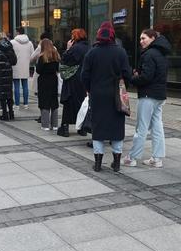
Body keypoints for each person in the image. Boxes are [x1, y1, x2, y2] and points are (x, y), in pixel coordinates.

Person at [81, 21, 132, 172]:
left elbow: (84, 75)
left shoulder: (92, 52)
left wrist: (89, 89)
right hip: (116, 95)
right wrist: (123, 87)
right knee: (117, 128)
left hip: (98, 95)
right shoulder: (121, 52)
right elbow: (127, 74)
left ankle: (97, 163)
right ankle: (116, 162)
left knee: (98, 127)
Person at [122, 29, 171, 168]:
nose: (141, 41)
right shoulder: (162, 53)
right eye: (140, 38)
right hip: (160, 95)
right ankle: (157, 158)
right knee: (157, 126)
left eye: (144, 38)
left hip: (148, 95)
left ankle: (132, 157)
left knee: (141, 127)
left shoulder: (149, 54)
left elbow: (147, 77)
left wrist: (133, 78)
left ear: (153, 38)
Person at [57, 29, 90, 137]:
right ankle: (82, 128)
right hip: (84, 80)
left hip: (73, 79)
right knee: (83, 104)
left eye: (72, 35)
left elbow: (65, 60)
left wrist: (67, 49)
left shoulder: (75, 48)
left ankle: (65, 127)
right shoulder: (89, 47)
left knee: (69, 103)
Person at [0, 32, 17, 121]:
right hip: (8, 73)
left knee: (2, 95)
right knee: (8, 93)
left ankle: (4, 114)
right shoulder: (10, 47)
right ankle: (11, 114)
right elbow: (14, 61)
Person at [36, 39, 60, 131]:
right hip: (53, 79)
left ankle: (45, 125)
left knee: (44, 101)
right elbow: (58, 68)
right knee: (54, 101)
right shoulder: (55, 55)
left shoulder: (42, 57)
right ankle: (55, 125)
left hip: (44, 80)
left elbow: (38, 70)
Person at [11, 27, 34, 109]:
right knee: (25, 86)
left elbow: (10, 54)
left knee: (16, 86)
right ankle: (26, 104)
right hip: (25, 66)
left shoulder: (12, 42)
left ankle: (16, 104)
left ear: (17, 32)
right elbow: (32, 55)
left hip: (15, 66)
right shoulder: (30, 43)